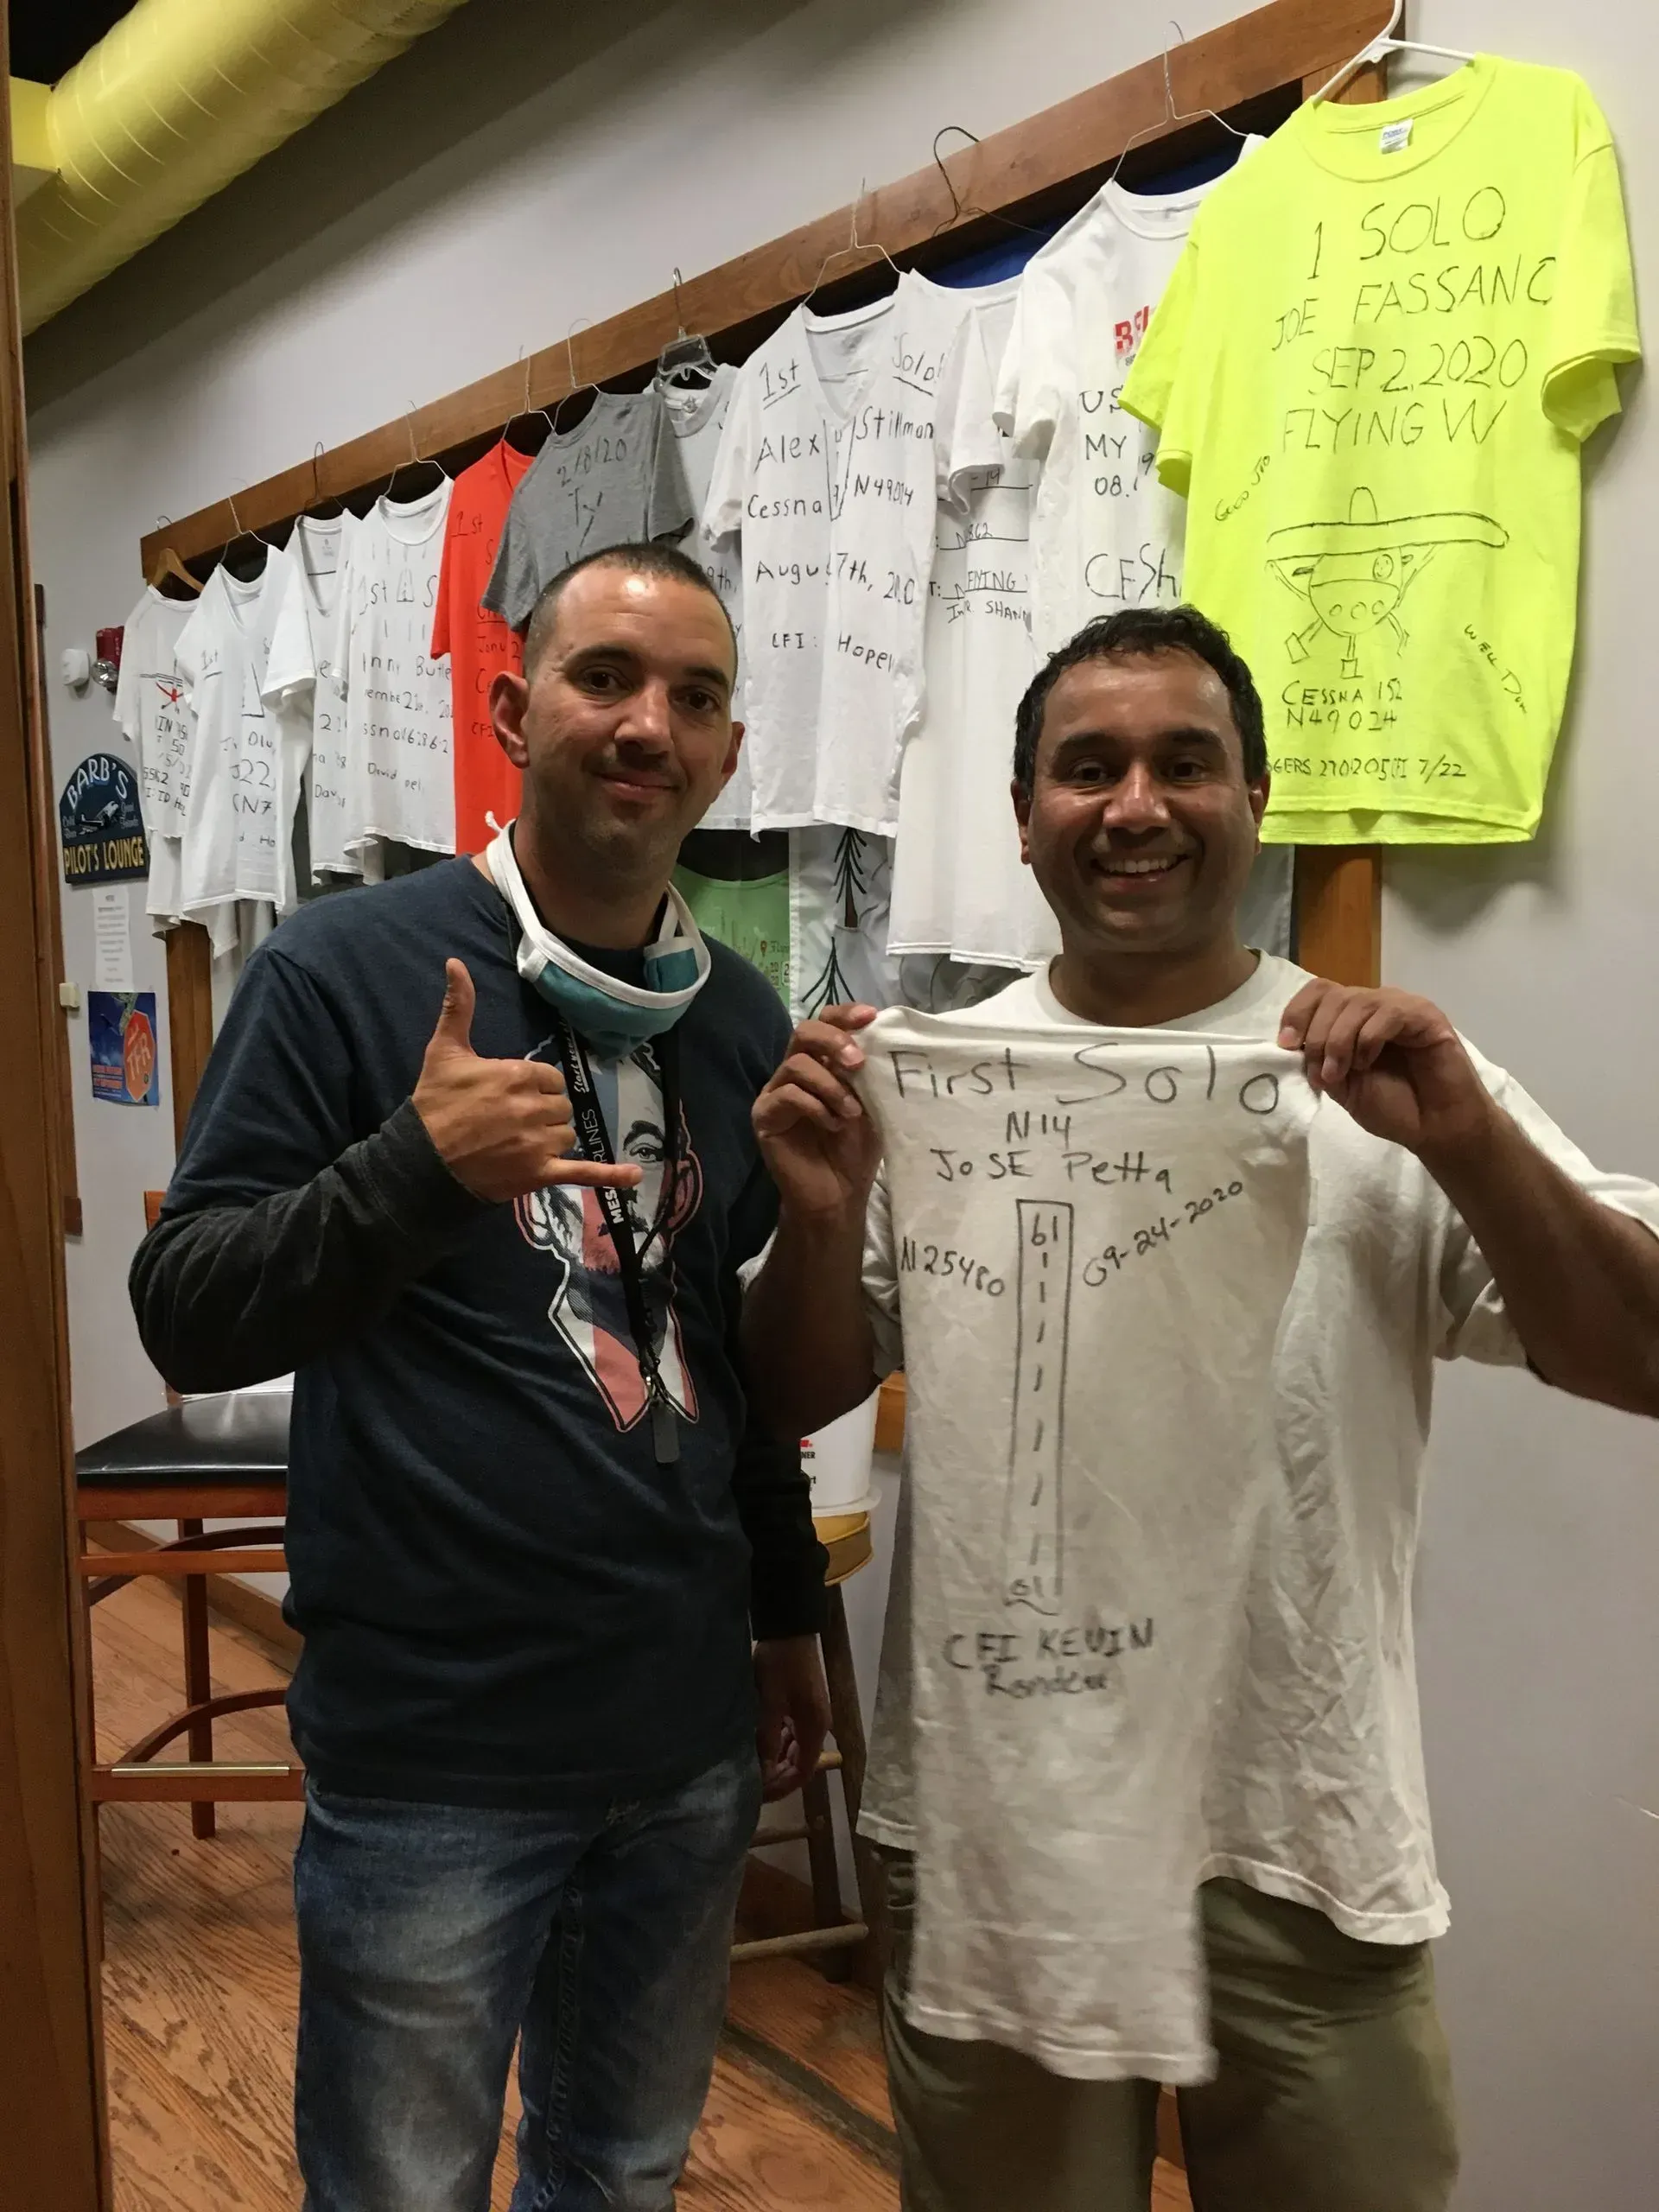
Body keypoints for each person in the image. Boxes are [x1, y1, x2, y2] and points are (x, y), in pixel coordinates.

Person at [743, 602, 1659, 2212]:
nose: (1136, 805)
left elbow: (1641, 1355)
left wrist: (1468, 1143)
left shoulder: (1385, 1086)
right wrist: (819, 1218)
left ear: (1254, 798)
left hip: (1300, 1834)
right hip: (996, 1823)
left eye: (1185, 763)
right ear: (1022, 818)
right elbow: (790, 1391)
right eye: (1087, 768)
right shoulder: (930, 1080)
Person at [130, 540, 831, 2212]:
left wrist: (786, 1610)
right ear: (515, 712)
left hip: (679, 1742)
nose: (650, 724)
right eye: (607, 679)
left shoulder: (735, 1020)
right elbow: (189, 1312)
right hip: (436, 1754)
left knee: (623, 2171)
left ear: (730, 751)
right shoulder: (342, 972)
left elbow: (719, 1364)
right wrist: (414, 1172)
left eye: (697, 697)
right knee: (401, 2190)